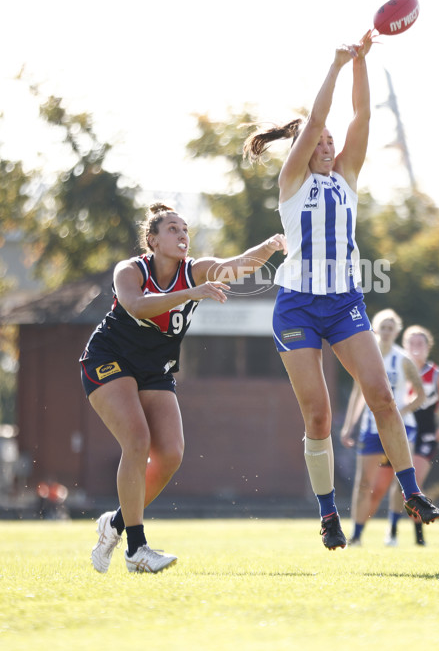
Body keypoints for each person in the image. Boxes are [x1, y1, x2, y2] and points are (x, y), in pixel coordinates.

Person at [243, 31, 439, 550]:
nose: (329, 145)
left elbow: (362, 118)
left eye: (333, 142)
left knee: (382, 395)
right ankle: (328, 515)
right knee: (320, 415)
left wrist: (360, 63)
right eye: (321, 143)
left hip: (345, 303)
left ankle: (413, 493)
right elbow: (315, 122)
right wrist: (333, 66)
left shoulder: (347, 177)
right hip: (297, 307)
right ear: (306, 152)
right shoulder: (293, 183)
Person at [80, 202, 286, 573]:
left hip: (154, 367)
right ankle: (136, 549)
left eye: (185, 230)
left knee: (171, 454)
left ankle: (114, 525)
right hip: (108, 358)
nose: (182, 236)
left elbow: (239, 265)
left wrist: (269, 245)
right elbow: (137, 306)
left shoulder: (196, 271)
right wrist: (191, 294)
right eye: (173, 229)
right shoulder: (130, 269)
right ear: (152, 240)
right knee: (137, 440)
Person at [340, 309, 425, 546]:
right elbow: (358, 394)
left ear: (397, 331)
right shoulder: (366, 357)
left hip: (402, 429)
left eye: (391, 328)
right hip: (371, 429)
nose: (387, 332)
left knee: (402, 482)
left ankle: (394, 531)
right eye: (383, 327)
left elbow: (420, 395)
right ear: (375, 329)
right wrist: (349, 426)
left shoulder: (404, 359)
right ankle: (356, 535)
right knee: (364, 482)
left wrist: (400, 412)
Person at [394, 324, 439, 546]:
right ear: (404, 346)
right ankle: (392, 530)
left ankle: (418, 537)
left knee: (415, 481)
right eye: (411, 343)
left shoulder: (435, 375)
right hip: (401, 430)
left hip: (425, 433)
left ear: (428, 347)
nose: (415, 347)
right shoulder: (397, 370)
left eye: (420, 343)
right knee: (396, 484)